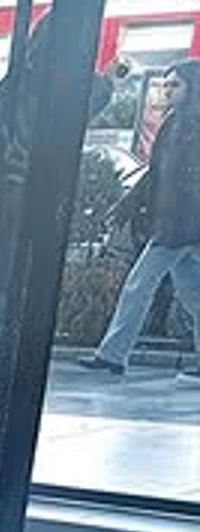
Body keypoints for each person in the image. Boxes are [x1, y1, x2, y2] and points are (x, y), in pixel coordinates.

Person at [0, 19, 115, 434]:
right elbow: (98, 95)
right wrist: (110, 73)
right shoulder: (65, 89)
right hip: (25, 214)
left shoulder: (10, 87)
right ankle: (3, 406)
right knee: (16, 316)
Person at [79, 61, 200, 377]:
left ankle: (113, 355)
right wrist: (127, 205)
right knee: (193, 294)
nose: (167, 91)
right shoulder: (174, 124)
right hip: (178, 226)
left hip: (180, 226)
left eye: (175, 85)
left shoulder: (191, 126)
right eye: (166, 85)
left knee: (139, 285)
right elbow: (155, 174)